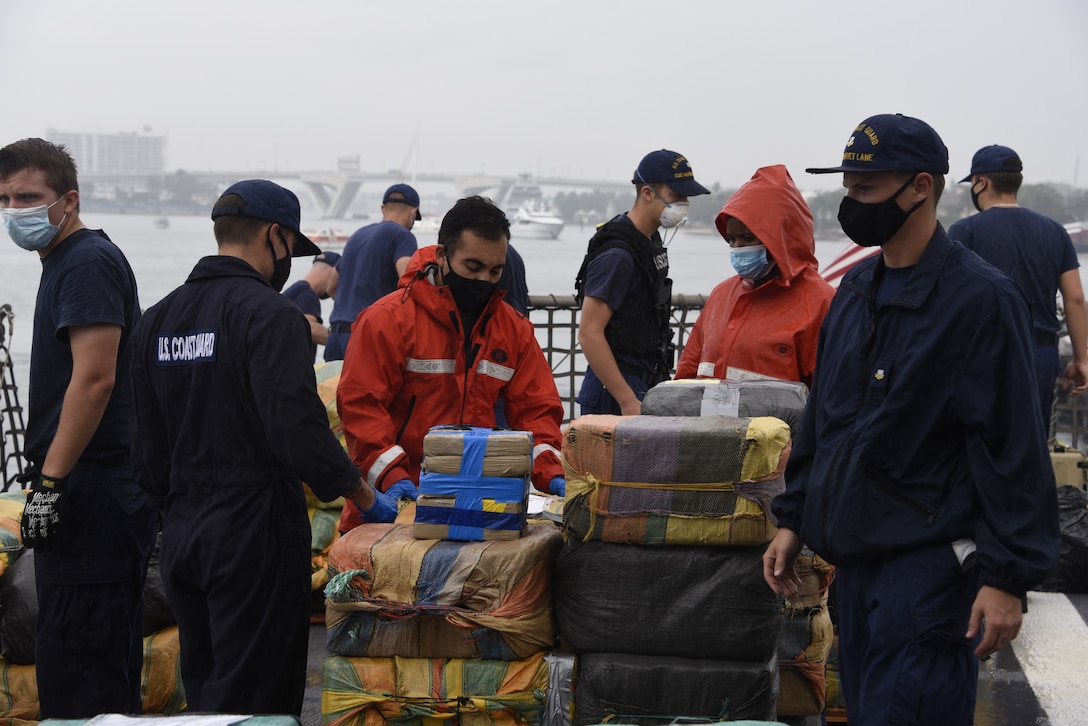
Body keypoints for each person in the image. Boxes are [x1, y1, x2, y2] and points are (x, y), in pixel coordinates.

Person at [762, 114, 1060, 725]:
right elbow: (826, 417)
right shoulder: (856, 290)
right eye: (848, 188)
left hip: (926, 570)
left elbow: (1012, 448)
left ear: (921, 187)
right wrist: (794, 517)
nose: (852, 203)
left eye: (866, 190)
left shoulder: (980, 300)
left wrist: (1006, 578)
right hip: (858, 564)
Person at [129, 180, 378, 715]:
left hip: (182, 532)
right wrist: (358, 489)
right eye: (292, 246)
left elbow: (144, 445)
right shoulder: (269, 315)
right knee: (257, 697)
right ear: (275, 236)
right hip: (252, 530)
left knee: (207, 684)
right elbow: (296, 428)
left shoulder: (155, 320)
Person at [0, 138, 157, 718]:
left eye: (29, 197)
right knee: (89, 653)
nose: (15, 210)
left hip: (94, 489)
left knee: (80, 661)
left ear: (68, 199)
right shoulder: (65, 260)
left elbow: (95, 379)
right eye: (5, 198)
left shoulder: (86, 262)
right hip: (91, 487)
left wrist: (49, 483)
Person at [336, 196, 566, 532]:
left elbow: (537, 412)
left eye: (495, 271)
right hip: (389, 507)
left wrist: (553, 471)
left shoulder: (514, 331)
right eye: (473, 268)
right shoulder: (387, 321)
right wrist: (392, 477)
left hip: (476, 510)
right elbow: (360, 409)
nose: (484, 280)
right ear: (442, 255)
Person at [948, 144, 1088, 426]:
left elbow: (950, 300)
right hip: (1041, 355)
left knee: (978, 446)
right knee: (1031, 443)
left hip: (985, 354)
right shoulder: (1055, 231)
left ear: (981, 183)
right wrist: (1082, 359)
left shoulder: (965, 231)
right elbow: (1074, 299)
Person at [575, 149, 711, 415]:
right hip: (614, 391)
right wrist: (626, 400)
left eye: (686, 197)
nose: (683, 203)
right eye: (676, 196)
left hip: (641, 382)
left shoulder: (648, 242)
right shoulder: (618, 255)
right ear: (647, 192)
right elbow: (589, 332)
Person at [674, 164, 834, 387]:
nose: (738, 247)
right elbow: (686, 375)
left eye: (748, 239)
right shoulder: (722, 295)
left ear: (780, 238)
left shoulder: (820, 302)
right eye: (731, 239)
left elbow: (830, 392)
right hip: (707, 422)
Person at [324, 183, 421, 361]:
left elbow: (331, 287)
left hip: (335, 338)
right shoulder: (403, 236)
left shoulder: (357, 235)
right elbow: (409, 282)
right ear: (413, 212)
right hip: (365, 337)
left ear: (383, 209)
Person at [282, 250, 340, 362]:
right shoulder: (307, 294)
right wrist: (341, 340)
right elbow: (309, 328)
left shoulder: (293, 291)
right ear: (333, 271)